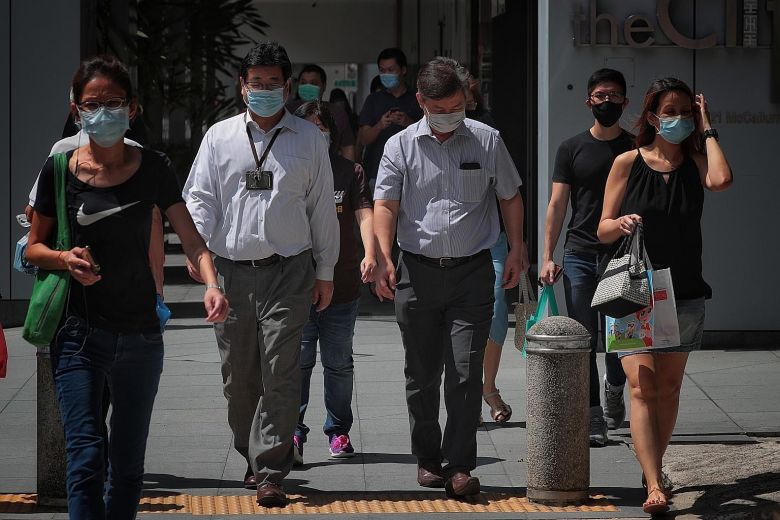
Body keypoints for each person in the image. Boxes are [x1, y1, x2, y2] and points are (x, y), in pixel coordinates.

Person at [25, 55, 229, 520]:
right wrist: (64, 258)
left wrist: (212, 283)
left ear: (131, 108)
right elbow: (33, 247)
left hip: (140, 334)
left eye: (113, 103)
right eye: (92, 104)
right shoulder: (57, 169)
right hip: (78, 334)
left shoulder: (154, 166)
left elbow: (192, 239)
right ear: (76, 109)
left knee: (128, 466)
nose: (103, 112)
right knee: (85, 459)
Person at [183, 41, 340, 508]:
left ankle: (272, 467)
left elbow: (321, 211)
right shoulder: (220, 137)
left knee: (281, 367)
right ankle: (251, 456)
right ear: (243, 86)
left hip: (289, 269)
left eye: (274, 84)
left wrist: (326, 271)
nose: (266, 91)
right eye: (258, 83)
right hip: (231, 272)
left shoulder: (310, 140)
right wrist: (200, 252)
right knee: (240, 377)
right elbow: (201, 198)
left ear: (288, 87)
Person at [373, 57, 529, 498]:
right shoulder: (399, 146)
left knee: (464, 373)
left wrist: (517, 248)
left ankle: (459, 465)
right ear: (421, 101)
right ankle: (427, 459)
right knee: (421, 374)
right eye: (442, 106)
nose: (452, 113)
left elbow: (511, 197)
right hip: (416, 273)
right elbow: (385, 205)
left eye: (459, 104)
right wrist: (384, 257)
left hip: (472, 273)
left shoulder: (486, 139)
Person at [597, 77, 732, 514]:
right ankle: (654, 483)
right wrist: (619, 225)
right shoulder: (626, 162)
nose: (678, 120)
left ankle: (652, 462)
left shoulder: (695, 162)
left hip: (685, 289)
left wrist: (708, 128)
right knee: (642, 385)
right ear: (652, 117)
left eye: (686, 113)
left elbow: (722, 179)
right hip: (633, 292)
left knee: (669, 388)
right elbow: (601, 226)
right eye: (669, 112)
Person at [541, 69, 634, 446]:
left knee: (617, 337)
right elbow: (557, 204)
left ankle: (615, 386)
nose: (606, 102)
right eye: (599, 96)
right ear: (588, 102)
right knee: (583, 337)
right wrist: (547, 255)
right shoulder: (571, 148)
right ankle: (592, 413)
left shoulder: (635, 147)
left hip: (620, 254)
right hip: (578, 252)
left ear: (625, 102)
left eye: (613, 96)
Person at [292, 101, 375, 464]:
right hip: (297, 286)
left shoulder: (349, 171)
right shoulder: (290, 170)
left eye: (320, 127)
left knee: (339, 362)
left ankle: (338, 431)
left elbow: (364, 213)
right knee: (298, 362)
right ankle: (291, 432)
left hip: (342, 286)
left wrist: (371, 252)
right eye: (307, 126)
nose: (315, 134)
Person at [464, 74, 511, 424]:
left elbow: (508, 190)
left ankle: (488, 386)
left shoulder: (487, 130)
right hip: (446, 239)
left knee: (496, 303)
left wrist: (518, 246)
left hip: (492, 232)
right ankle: (463, 390)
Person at [358, 48, 423, 181]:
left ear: (403, 70)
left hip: (413, 173)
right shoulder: (373, 100)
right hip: (377, 173)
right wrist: (380, 125)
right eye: (382, 70)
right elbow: (363, 139)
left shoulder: (418, 99)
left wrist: (409, 123)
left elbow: (431, 134)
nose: (386, 74)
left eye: (391, 70)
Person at [286, 64, 356, 160]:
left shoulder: (337, 113)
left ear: (324, 86)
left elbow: (347, 146)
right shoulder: (287, 111)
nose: (308, 86)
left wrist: (348, 171)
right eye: (303, 83)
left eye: (313, 83)